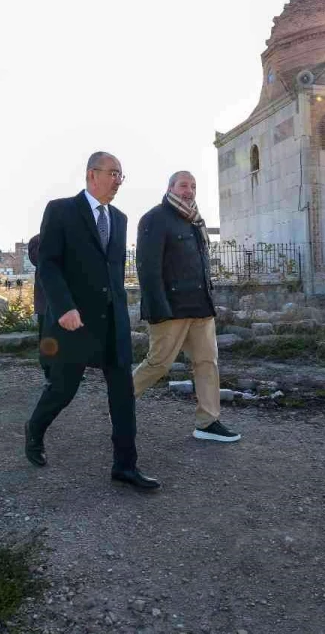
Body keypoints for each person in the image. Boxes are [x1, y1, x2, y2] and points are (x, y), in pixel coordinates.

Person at [24, 152, 160, 491]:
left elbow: (112, 273)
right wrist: (64, 307)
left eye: (121, 175)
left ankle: (125, 465)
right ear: (91, 175)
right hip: (75, 321)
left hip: (112, 322)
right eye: (113, 173)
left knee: (123, 394)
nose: (118, 181)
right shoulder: (61, 210)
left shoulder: (120, 217)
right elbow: (50, 264)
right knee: (63, 389)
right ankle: (35, 429)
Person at [133, 171, 240, 443]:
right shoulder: (155, 218)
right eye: (183, 185)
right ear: (170, 187)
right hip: (171, 308)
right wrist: (157, 308)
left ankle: (208, 422)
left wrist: (209, 299)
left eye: (193, 186)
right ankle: (119, 402)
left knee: (207, 363)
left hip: (200, 307)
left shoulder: (195, 220)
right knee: (158, 364)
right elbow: (147, 268)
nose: (189, 190)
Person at [26, 233, 50, 382]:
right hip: (46, 299)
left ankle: (70, 370)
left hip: (70, 298)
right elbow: (38, 260)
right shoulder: (37, 240)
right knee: (47, 336)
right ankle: (49, 370)